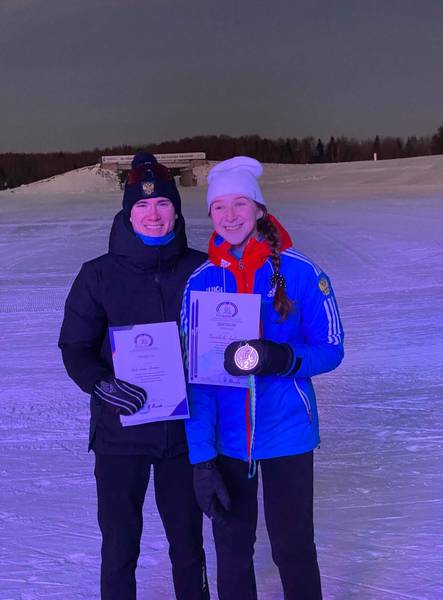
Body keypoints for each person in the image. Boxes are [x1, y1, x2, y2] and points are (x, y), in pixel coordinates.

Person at [181, 156, 344, 600]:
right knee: (232, 552)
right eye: (219, 207)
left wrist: (280, 357)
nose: (230, 216)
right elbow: (194, 379)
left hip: (288, 433)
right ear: (210, 214)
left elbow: (331, 349)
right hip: (228, 442)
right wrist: (201, 457)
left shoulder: (300, 271)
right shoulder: (200, 281)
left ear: (258, 209)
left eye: (240, 204)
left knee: (293, 550)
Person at [59, 153, 210, 600]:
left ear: (176, 211)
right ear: (128, 212)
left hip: (183, 437)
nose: (153, 215)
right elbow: (75, 348)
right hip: (120, 437)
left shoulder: (202, 270)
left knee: (188, 545)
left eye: (163, 205)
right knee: (120, 546)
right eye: (142, 207)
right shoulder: (98, 276)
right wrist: (101, 384)